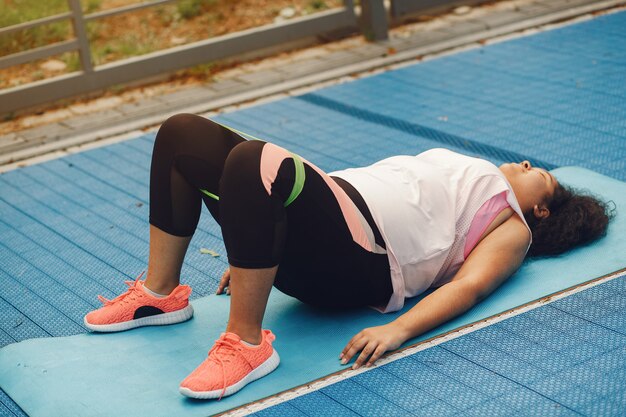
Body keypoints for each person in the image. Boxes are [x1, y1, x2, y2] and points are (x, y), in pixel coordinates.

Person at [83, 113, 612, 400]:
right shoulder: (466, 167)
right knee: (181, 133)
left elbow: (469, 287)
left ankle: (246, 345)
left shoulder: (510, 225)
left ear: (541, 211)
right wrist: (259, 233)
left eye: (537, 175)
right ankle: (159, 296)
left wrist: (400, 330)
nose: (524, 163)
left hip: (364, 261)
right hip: (322, 230)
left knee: (256, 159)